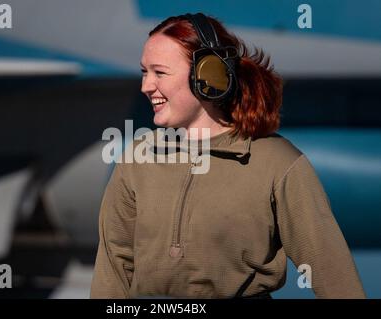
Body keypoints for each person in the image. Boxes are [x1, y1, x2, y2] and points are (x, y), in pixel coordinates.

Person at [90, 13, 366, 299]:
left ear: (208, 75)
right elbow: (112, 271)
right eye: (144, 72)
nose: (146, 86)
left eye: (159, 73)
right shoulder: (138, 157)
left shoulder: (277, 162)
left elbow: (334, 277)